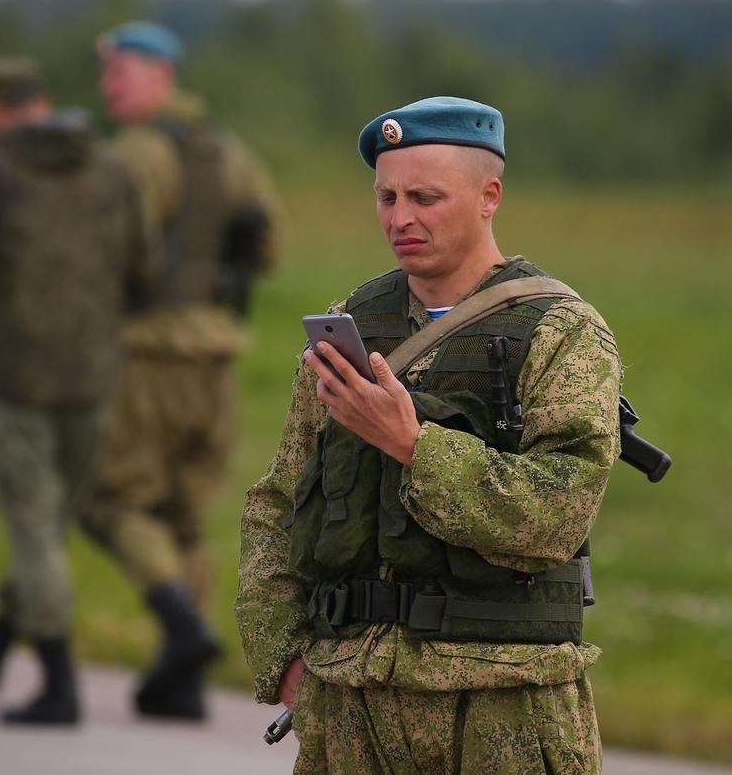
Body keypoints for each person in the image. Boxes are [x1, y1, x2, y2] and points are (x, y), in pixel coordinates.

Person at [235, 96, 621, 773]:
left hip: (501, 704)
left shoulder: (562, 332)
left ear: (488, 196)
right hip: (352, 704)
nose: (400, 218)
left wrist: (416, 446)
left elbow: (560, 513)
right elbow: (280, 499)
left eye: (425, 196)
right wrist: (284, 654)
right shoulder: (351, 322)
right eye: (385, 197)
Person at [0, 57, 157, 725]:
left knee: (33, 528)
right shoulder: (112, 166)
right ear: (43, 102)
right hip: (93, 374)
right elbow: (146, 269)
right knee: (48, 526)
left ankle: (59, 684)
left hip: (16, 375)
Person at [84, 21, 282, 720]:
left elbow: (103, 253)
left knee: (114, 502)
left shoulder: (131, 155)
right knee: (186, 517)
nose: (110, 85)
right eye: (107, 72)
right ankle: (184, 685)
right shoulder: (228, 153)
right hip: (217, 351)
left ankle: (182, 630)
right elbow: (267, 245)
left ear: (161, 76)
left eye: (123, 71)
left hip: (146, 352)